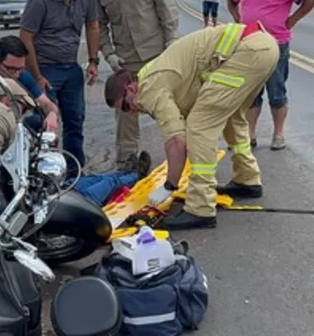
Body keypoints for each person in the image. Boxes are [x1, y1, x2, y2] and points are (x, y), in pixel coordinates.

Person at [103, 22, 280, 230]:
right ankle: (247, 179)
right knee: (232, 118)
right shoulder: (155, 75)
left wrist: (169, 186)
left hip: (246, 52)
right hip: (263, 46)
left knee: (199, 125)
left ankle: (201, 207)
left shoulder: (149, 89)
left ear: (131, 88)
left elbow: (177, 140)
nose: (131, 111)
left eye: (126, 105)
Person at [0, 78, 151, 207]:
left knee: (76, 182)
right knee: (83, 194)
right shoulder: (6, 116)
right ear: (9, 101)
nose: (24, 114)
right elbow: (21, 166)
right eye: (24, 108)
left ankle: (125, 173)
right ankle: (132, 176)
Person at [91, 0, 178, 172]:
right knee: (125, 111)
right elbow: (98, 25)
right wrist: (108, 54)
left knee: (168, 107)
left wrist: (171, 41)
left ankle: (181, 154)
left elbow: (165, 9)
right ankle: (127, 162)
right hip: (125, 59)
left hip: (157, 54)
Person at [227, 0, 314, 151]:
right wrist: (238, 18)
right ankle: (249, 135)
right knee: (250, 92)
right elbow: (231, 0)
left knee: (276, 91)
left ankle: (278, 134)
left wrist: (293, 20)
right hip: (249, 45)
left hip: (276, 44)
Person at [19, 0, 101, 177]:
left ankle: (74, 172)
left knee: (75, 121)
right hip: (45, 68)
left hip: (71, 67)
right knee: (45, 124)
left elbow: (93, 26)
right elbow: (25, 38)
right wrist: (36, 77)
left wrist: (94, 60)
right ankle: (44, 174)